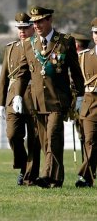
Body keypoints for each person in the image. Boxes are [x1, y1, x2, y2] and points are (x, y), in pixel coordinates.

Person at [12, 6, 84, 188]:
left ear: (49, 20)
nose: (36, 25)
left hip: (58, 100)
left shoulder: (65, 42)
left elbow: (76, 72)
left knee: (52, 136)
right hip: (37, 102)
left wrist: (80, 96)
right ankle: (55, 180)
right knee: (47, 141)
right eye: (34, 22)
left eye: (39, 21)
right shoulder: (29, 44)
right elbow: (22, 73)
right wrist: (18, 95)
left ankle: (46, 175)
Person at [0, 12, 41, 186]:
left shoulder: (39, 46)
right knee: (13, 134)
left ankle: (30, 174)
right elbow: (4, 77)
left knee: (34, 138)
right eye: (19, 28)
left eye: (25, 27)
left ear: (33, 28)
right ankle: (23, 166)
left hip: (33, 95)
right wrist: (0, 103)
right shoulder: (11, 48)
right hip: (12, 96)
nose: (22, 31)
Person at [74, 18, 97, 187]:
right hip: (90, 104)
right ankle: (87, 178)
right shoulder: (83, 57)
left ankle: (85, 173)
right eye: (95, 33)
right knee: (90, 141)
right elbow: (75, 82)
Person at [71, 32, 92, 162]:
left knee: (85, 136)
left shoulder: (80, 59)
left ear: (76, 45)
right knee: (84, 136)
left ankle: (88, 168)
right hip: (81, 102)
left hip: (85, 102)